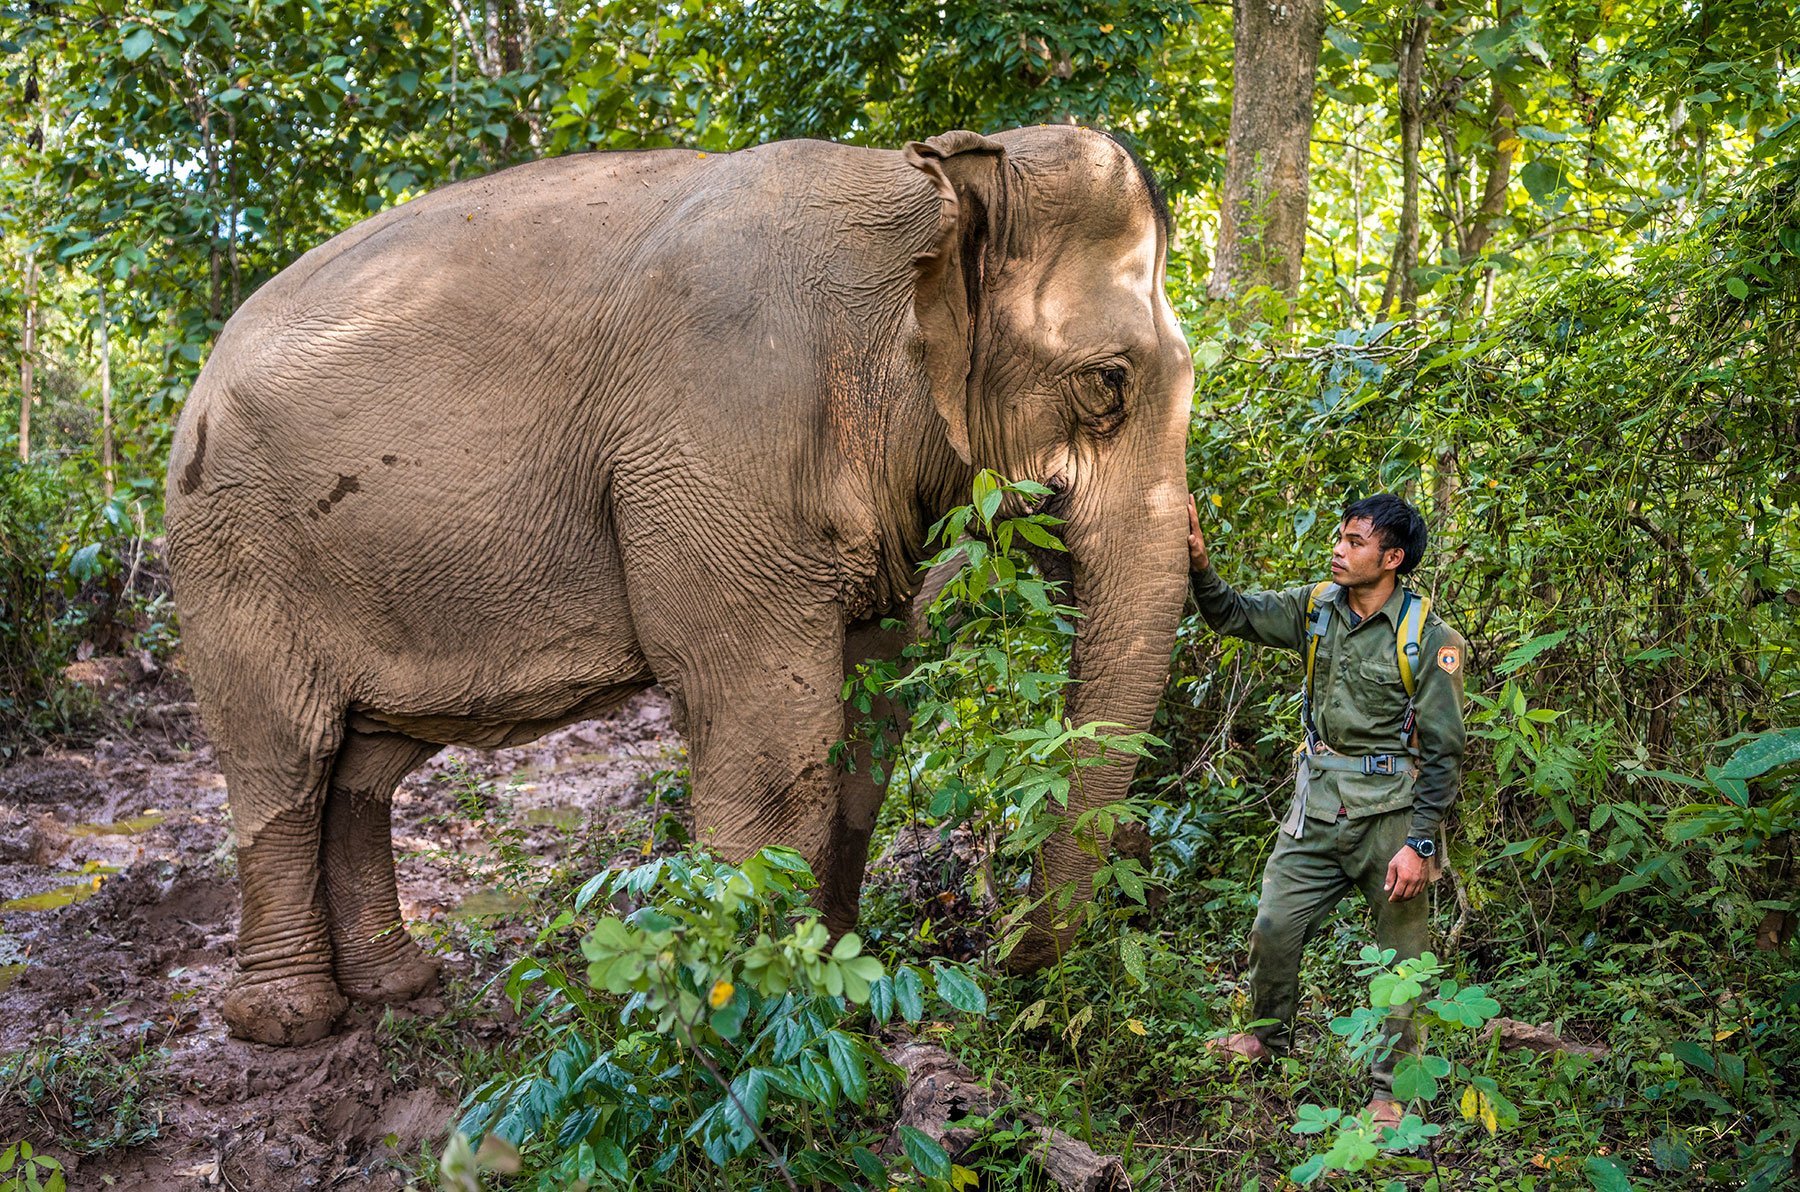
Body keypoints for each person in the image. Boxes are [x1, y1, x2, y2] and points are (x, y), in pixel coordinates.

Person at [1186, 492, 1468, 1129]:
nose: (1339, 550)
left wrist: (1420, 844)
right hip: (1317, 807)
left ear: (1392, 558)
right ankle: (1264, 1037)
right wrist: (1200, 563)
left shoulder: (1430, 640)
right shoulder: (1315, 609)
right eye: (1339, 537)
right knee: (1274, 926)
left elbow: (1446, 752)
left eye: (1356, 542)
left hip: (1390, 817)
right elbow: (1230, 614)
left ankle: (1390, 1091)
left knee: (1402, 962)